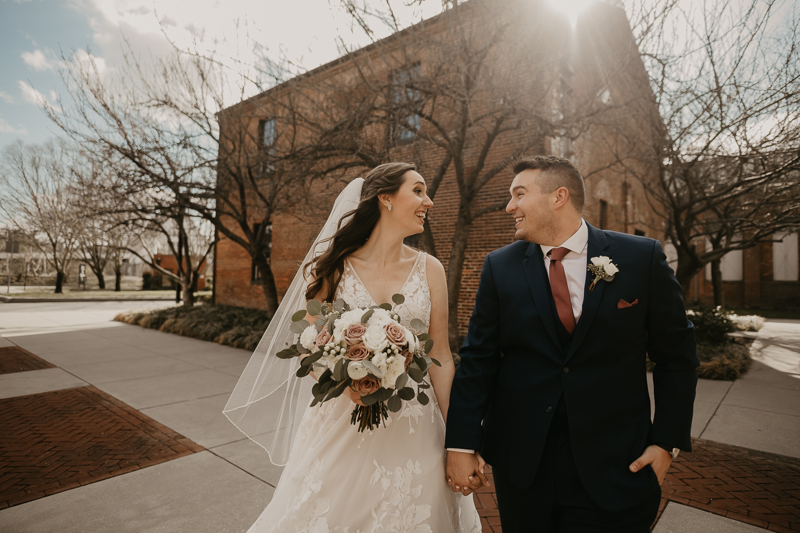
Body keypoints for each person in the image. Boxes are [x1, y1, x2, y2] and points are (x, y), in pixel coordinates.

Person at [445, 156, 698, 532]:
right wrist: (461, 444)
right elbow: (478, 359)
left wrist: (666, 444)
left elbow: (676, 356)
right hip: (525, 468)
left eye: (519, 194)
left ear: (558, 196)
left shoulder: (640, 257)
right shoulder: (500, 266)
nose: (509, 206)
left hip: (616, 463)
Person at [225, 162, 480, 533]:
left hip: (414, 428)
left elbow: (439, 355)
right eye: (419, 191)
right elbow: (310, 348)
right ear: (386, 198)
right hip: (342, 421)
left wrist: (460, 441)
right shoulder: (331, 267)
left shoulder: (431, 269)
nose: (430, 201)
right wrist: (346, 380)